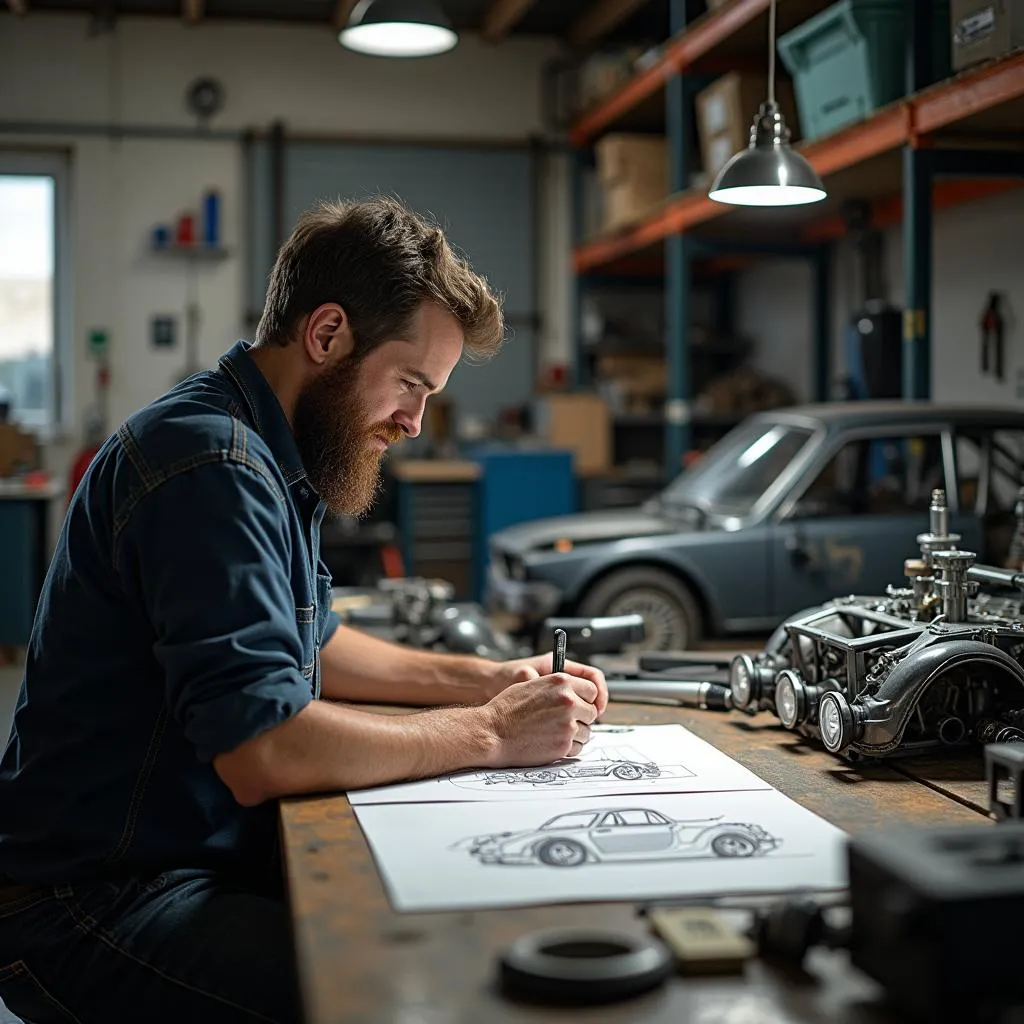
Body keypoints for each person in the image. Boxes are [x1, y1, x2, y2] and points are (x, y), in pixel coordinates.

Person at [0, 197, 607, 1024]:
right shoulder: (211, 463)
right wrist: (494, 731)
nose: (414, 422)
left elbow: (316, 637)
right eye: (409, 383)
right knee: (397, 995)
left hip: (173, 856)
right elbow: (265, 747)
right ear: (326, 335)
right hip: (91, 900)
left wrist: (489, 678)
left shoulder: (267, 450)